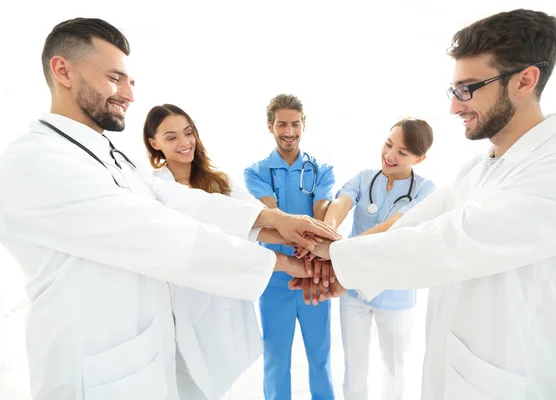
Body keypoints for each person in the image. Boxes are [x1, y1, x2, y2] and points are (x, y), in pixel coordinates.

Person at [0, 18, 339, 400]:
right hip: (93, 373)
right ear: (63, 70)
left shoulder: (110, 156)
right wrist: (290, 262)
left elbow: (173, 200)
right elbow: (159, 231)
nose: (128, 94)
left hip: (143, 360)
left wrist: (274, 221)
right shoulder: (35, 160)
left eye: (129, 81)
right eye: (115, 78)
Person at [293, 9, 556, 400]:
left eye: (468, 88)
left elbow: (452, 240)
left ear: (525, 80)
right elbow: (415, 223)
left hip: (514, 384)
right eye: (454, 90)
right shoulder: (479, 167)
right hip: (455, 371)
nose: (455, 107)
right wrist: (332, 255)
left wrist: (337, 260)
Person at [143, 103, 297, 398]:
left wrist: (303, 242)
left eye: (188, 133)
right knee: (188, 379)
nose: (184, 143)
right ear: (154, 143)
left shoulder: (218, 181)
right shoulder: (153, 186)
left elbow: (250, 217)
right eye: (171, 137)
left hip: (222, 295)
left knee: (220, 376)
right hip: (183, 297)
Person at [324, 118, 435, 399]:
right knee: (354, 367)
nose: (390, 155)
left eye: (403, 152)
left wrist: (344, 250)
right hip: (353, 291)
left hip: (394, 294)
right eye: (388, 144)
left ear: (420, 158)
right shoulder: (364, 178)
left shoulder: (425, 190)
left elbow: (395, 226)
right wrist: (328, 230)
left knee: (394, 369)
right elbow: (341, 203)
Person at [244, 94, 335, 400]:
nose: (289, 131)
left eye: (295, 124)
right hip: (275, 278)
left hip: (315, 273)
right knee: (276, 361)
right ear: (270, 126)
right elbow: (274, 217)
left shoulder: (321, 169)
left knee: (320, 358)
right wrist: (307, 239)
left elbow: (322, 212)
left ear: (303, 125)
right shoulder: (255, 172)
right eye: (282, 124)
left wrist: (314, 246)